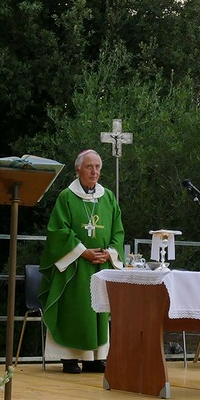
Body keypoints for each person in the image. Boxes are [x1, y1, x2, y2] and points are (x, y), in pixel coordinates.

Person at [38, 149, 125, 374]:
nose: (94, 171)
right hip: (75, 265)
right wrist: (83, 251)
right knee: (74, 309)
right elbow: (58, 231)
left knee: (98, 310)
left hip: (101, 265)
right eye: (89, 167)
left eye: (97, 167)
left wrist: (110, 252)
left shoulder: (108, 197)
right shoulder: (67, 197)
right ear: (78, 169)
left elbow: (118, 230)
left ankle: (95, 358)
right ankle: (69, 359)